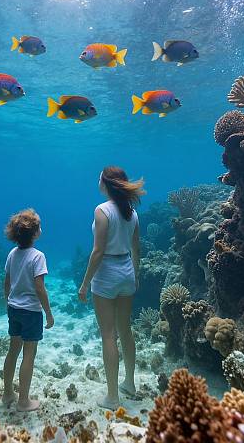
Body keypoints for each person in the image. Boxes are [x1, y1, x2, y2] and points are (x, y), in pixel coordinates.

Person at [79, 166, 145, 409]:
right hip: (127, 270)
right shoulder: (132, 212)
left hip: (106, 274)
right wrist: (135, 275)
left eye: (99, 177)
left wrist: (85, 284)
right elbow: (136, 248)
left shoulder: (102, 211)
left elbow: (98, 252)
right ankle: (129, 383)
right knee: (125, 330)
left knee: (108, 334)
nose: (97, 180)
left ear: (106, 183)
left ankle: (112, 397)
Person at [2, 208, 54, 412]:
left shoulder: (12, 253)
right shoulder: (38, 256)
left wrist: (8, 302)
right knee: (29, 355)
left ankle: (7, 393)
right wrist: (48, 313)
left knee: (12, 351)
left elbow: (6, 282)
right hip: (31, 312)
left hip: (14, 309)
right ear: (34, 233)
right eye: (39, 226)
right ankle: (24, 401)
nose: (41, 228)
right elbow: (40, 287)